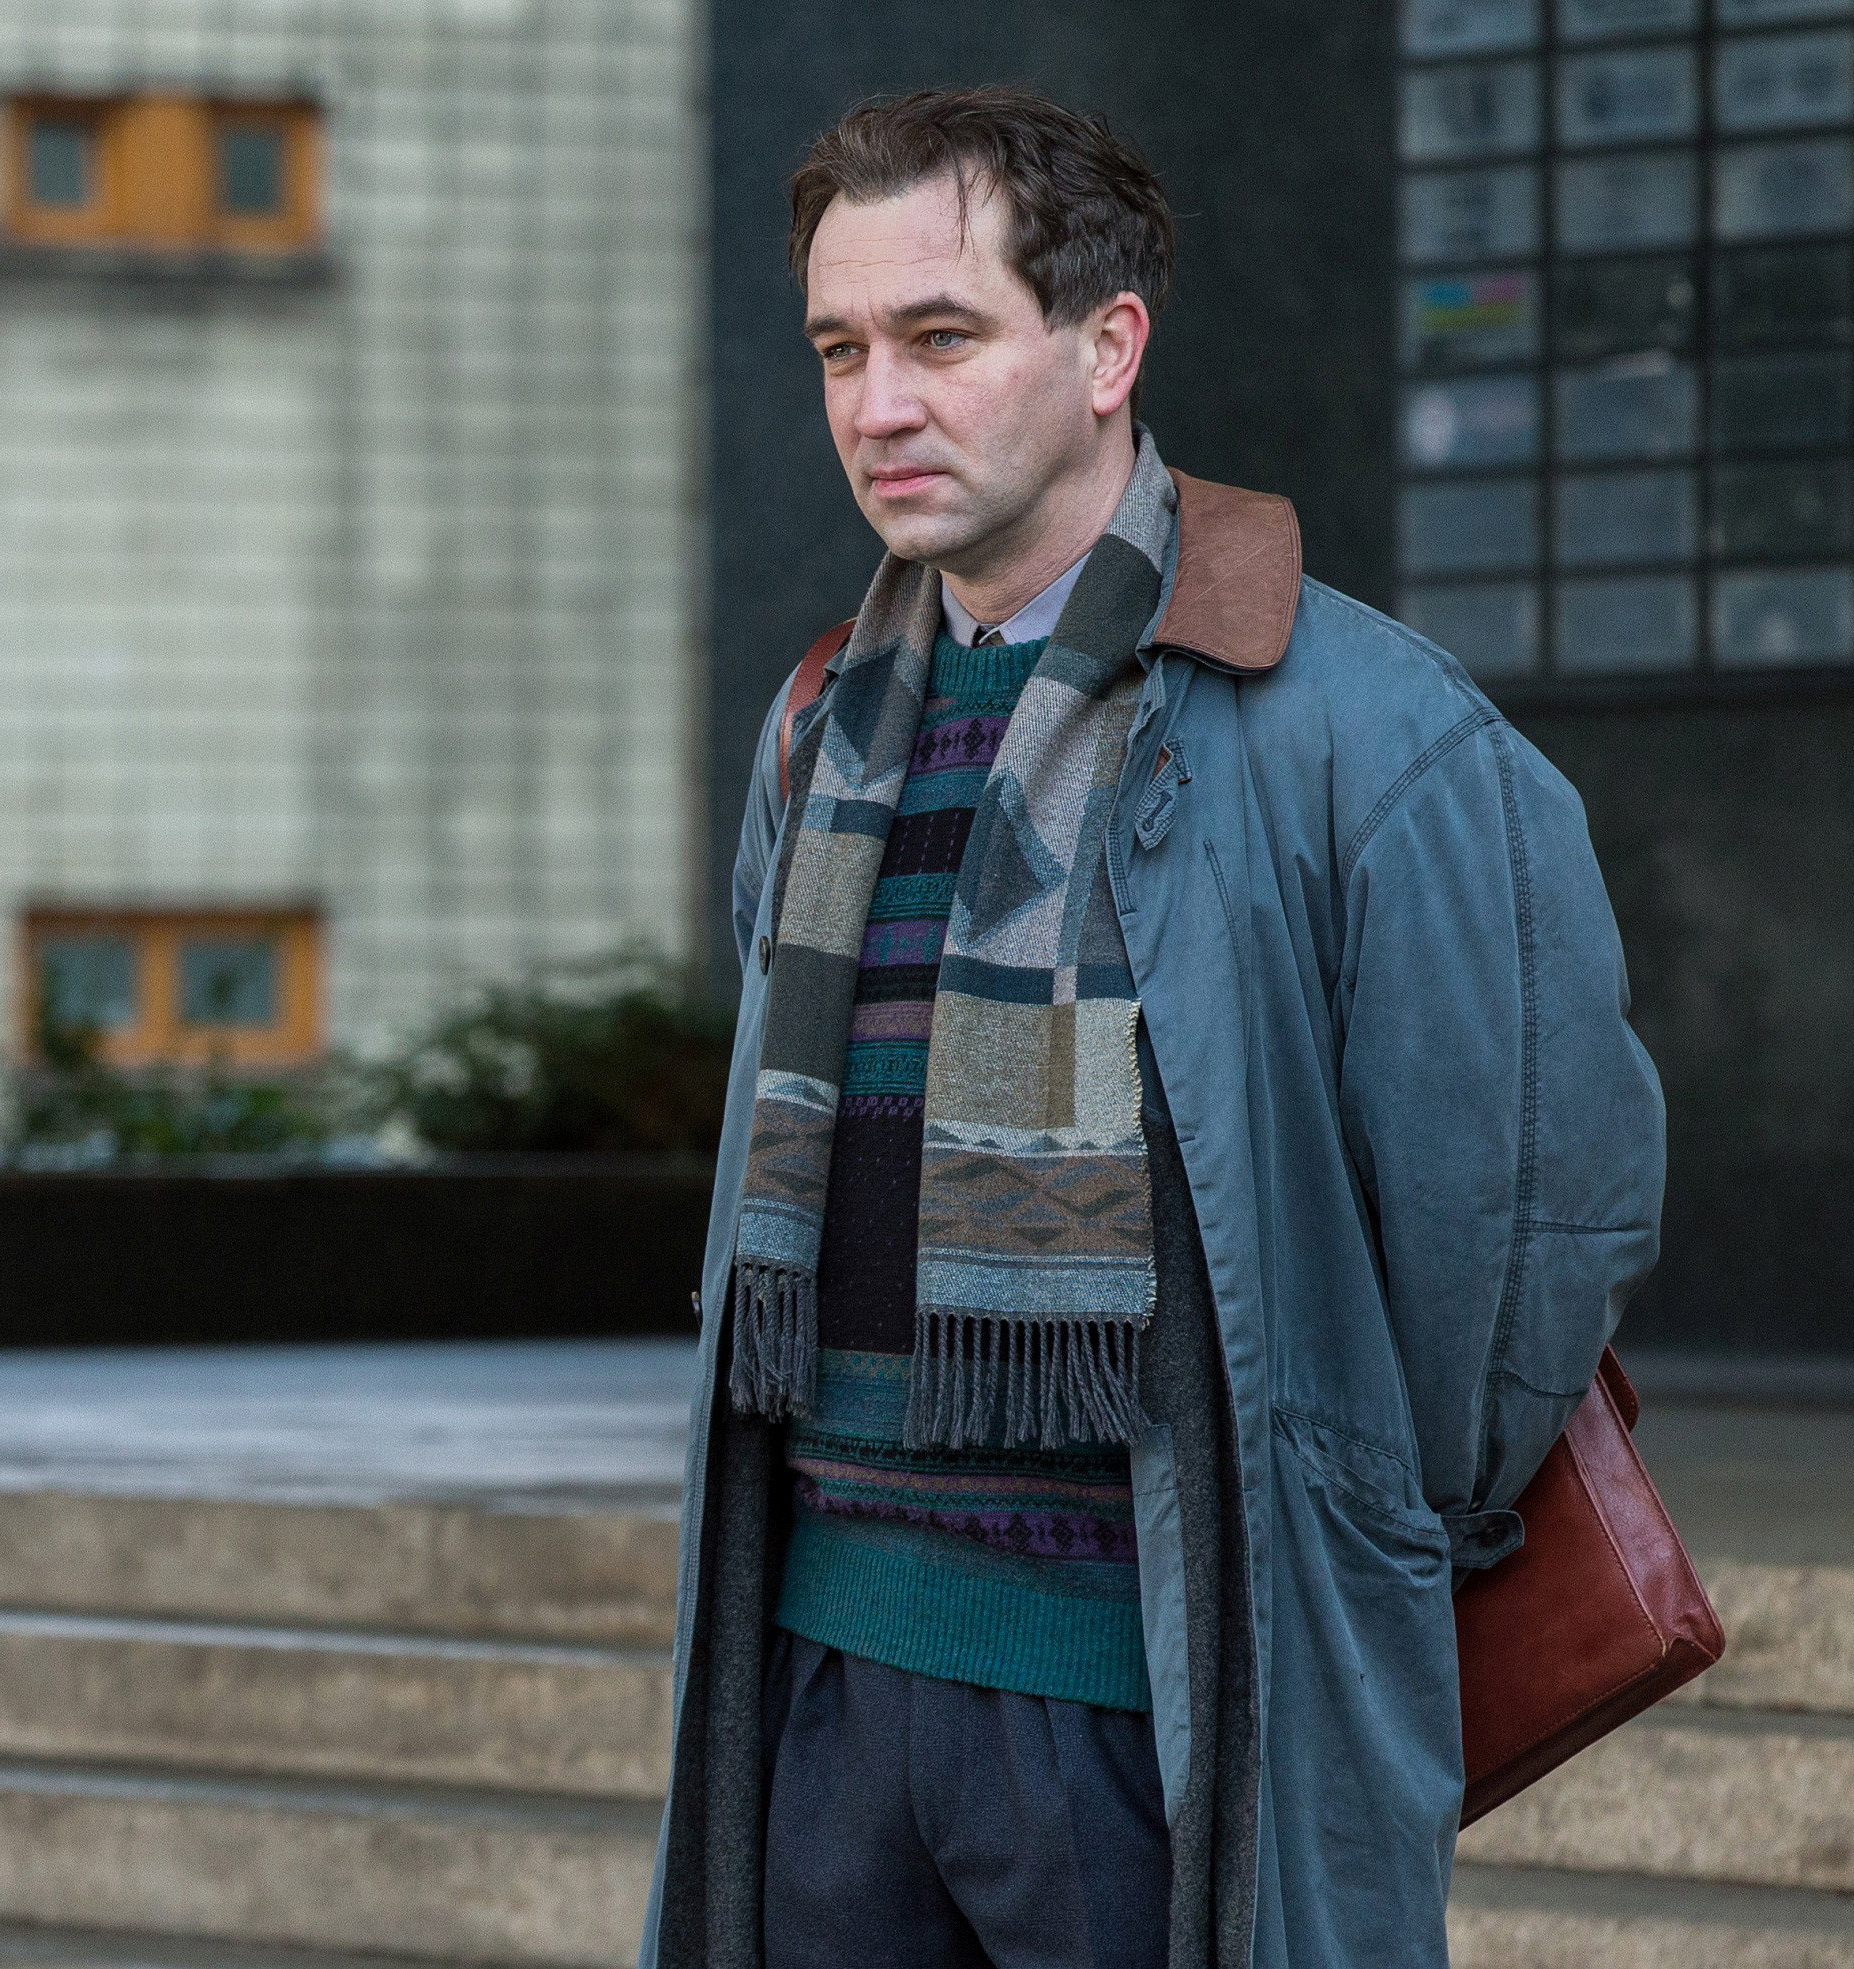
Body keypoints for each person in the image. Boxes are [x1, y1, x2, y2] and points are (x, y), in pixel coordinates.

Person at [641, 86, 1667, 1969]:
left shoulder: (1377, 733)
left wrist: (1344, 1525)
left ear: (1109, 347)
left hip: (1159, 1709)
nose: (879, 405)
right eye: (841, 350)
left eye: (942, 337)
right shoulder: (819, 733)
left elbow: (1526, 1225)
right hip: (821, 1703)